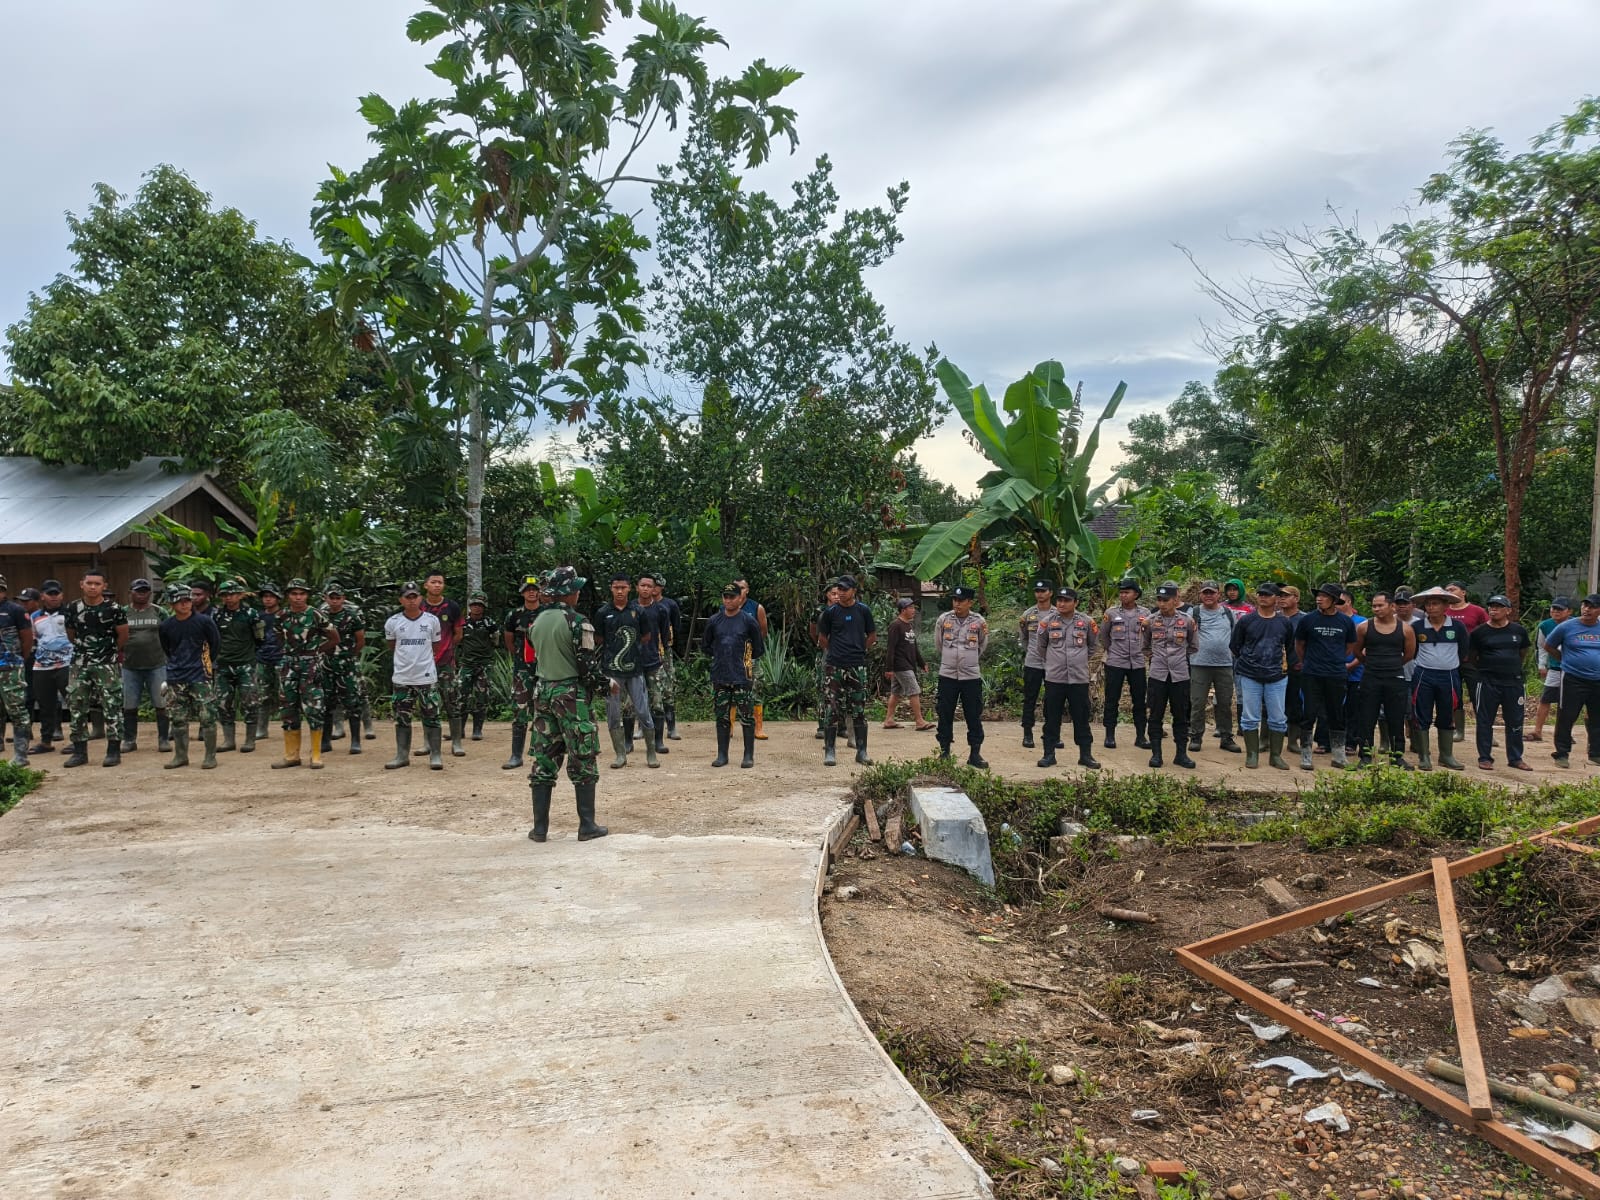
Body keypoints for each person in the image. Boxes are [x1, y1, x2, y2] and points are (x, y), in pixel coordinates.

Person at [526, 567, 608, 842]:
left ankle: (539, 829)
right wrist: (605, 684)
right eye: (576, 589)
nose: (579, 593)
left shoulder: (536, 621)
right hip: (571, 694)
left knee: (545, 756)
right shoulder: (578, 622)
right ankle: (587, 825)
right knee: (582, 754)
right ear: (569, 593)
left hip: (543, 692)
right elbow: (586, 664)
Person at [62, 569, 129, 769]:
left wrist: (108, 653)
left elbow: (123, 635)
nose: (93, 587)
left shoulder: (114, 609)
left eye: (97, 584)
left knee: (112, 706)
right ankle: (80, 751)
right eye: (89, 583)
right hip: (80, 663)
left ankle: (113, 751)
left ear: (104, 586)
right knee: (77, 706)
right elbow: (71, 635)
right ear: (81, 584)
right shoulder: (73, 608)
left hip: (106, 664)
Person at [270, 579, 338, 771]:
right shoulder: (281, 616)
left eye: (301, 593)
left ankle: (315, 754)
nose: (298, 597)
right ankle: (291, 755)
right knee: (288, 708)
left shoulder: (315, 614)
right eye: (294, 594)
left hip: (310, 666)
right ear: (288, 596)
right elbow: (277, 638)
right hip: (288, 665)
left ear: (307, 595)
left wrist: (316, 651)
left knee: (314, 707)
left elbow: (334, 637)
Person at [593, 573, 656, 770]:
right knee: (613, 713)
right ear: (611, 589)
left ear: (629, 588)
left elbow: (646, 636)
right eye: (616, 587)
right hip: (611, 671)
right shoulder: (603, 612)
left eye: (623, 587)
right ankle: (620, 754)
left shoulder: (639, 611)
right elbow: (598, 639)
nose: (619, 591)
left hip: (635, 670)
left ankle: (651, 752)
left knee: (643, 710)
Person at [1034, 587, 1099, 769]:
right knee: (1052, 717)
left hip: (1078, 679)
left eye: (1067, 600)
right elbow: (1041, 647)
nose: (1062, 604)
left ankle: (1085, 755)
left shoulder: (1086, 622)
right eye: (1060, 600)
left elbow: (1093, 646)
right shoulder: (1047, 622)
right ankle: (1049, 754)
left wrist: (1078, 661)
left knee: (1081, 717)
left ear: (1075, 603)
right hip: (1055, 678)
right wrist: (1055, 662)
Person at [158, 585, 222, 770]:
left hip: (201, 675)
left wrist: (206, 665)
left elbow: (215, 644)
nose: (185, 604)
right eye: (180, 601)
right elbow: (167, 648)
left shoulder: (204, 622)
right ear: (172, 603)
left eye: (187, 600)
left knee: (207, 717)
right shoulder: (166, 626)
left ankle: (210, 756)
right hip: (176, 676)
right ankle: (180, 756)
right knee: (177, 718)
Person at [817, 574, 878, 767]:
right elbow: (822, 638)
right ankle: (830, 751)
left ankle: (862, 751)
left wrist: (860, 650)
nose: (841, 593)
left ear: (854, 591)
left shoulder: (863, 611)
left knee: (859, 709)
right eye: (838, 589)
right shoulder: (830, 612)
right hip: (834, 666)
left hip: (857, 666)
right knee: (831, 708)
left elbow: (872, 635)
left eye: (844, 589)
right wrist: (834, 651)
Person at [1231, 583, 1292, 770]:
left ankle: (1275, 756)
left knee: (1278, 718)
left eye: (1267, 595)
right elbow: (1235, 646)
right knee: (1250, 717)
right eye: (1260, 594)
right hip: (1250, 675)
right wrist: (1248, 661)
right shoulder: (1246, 621)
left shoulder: (1284, 622)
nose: (1263, 597)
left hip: (1277, 676)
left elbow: (1289, 647)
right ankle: (1252, 755)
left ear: (1276, 598)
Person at [383, 581, 444, 770]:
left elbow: (436, 645)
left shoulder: (431, 620)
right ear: (401, 600)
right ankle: (402, 755)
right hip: (402, 678)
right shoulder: (393, 622)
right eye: (407, 597)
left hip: (426, 677)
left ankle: (435, 755)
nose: (411, 601)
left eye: (415, 597)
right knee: (402, 717)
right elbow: (392, 646)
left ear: (420, 598)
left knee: (432, 715)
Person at [1468, 595, 1533, 772]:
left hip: (1513, 682)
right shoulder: (1479, 632)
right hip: (1488, 682)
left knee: (1515, 721)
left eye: (1498, 606)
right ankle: (1485, 757)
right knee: (1484, 720)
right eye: (1491, 606)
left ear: (1508, 610)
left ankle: (1515, 758)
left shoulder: (1518, 631)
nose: (1493, 609)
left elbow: (1522, 652)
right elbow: (1472, 657)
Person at [1295, 584, 1357, 770]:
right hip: (1312, 673)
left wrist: (1336, 661)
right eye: (1318, 596)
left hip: (1336, 674)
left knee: (1336, 713)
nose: (1319, 599)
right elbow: (1300, 645)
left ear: (1334, 600)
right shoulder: (1308, 620)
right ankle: (1306, 753)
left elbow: (1350, 647)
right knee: (1309, 713)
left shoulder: (1345, 622)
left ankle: (1338, 754)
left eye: (1324, 596)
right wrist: (1309, 662)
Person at [705, 583, 765, 768]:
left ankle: (748, 755)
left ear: (740, 599)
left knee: (746, 717)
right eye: (726, 597)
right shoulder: (714, 621)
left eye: (732, 597)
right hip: (720, 675)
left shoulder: (748, 621)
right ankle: (722, 755)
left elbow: (758, 649)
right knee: (721, 717)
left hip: (742, 676)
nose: (728, 600)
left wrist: (743, 662)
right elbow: (707, 647)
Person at [1409, 587, 1469, 772]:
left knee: (1447, 713)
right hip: (1423, 675)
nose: (1431, 607)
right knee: (1421, 713)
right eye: (1428, 604)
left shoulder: (1457, 627)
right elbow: (1412, 650)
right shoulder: (1417, 627)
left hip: (1449, 675)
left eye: (1435, 603)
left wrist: (1448, 663)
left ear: (1445, 606)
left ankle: (1446, 755)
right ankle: (1424, 756)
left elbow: (1464, 651)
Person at [1353, 591, 1415, 769]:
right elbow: (1357, 651)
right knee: (1367, 718)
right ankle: (1365, 756)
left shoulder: (1405, 629)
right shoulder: (1364, 627)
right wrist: (1371, 664)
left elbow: (1409, 654)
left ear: (1391, 606)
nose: (1376, 609)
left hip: (1395, 678)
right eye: (1374, 606)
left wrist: (1393, 665)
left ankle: (1397, 757)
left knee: (1396, 718)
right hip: (1371, 677)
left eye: (1380, 605)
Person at [1143, 581, 1199, 769]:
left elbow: (1193, 646)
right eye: (1159, 599)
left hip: (1180, 675)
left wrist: (1178, 658)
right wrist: (1156, 658)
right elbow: (1145, 646)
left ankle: (1181, 754)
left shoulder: (1187, 621)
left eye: (1166, 600)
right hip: (1158, 675)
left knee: (1181, 715)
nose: (1162, 603)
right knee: (1155, 715)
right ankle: (1156, 754)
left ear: (1176, 600)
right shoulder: (1150, 621)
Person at [931, 585, 987, 768]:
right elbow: (939, 644)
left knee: (973, 714)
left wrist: (967, 660)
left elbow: (982, 645)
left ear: (970, 602)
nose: (957, 604)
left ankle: (975, 754)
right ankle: (945, 752)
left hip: (970, 676)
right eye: (955, 600)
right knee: (944, 713)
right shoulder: (944, 619)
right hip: (947, 675)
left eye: (961, 601)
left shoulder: (979, 621)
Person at [1544, 593, 1600, 769]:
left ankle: (1596, 753)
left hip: (1597, 680)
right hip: (1572, 678)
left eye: (1591, 606)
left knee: (1597, 718)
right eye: (1585, 605)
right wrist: (1564, 660)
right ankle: (1561, 753)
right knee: (1566, 716)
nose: (1587, 609)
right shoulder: (1568, 626)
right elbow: (1549, 645)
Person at [212, 580, 264, 754]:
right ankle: (229, 740)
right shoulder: (217, 615)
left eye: (232, 594)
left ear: (241, 595)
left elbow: (260, 639)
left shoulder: (251, 614)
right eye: (225, 595)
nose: (229, 598)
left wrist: (248, 656)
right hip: (223, 666)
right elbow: (212, 639)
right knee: (222, 704)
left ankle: (250, 739)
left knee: (250, 702)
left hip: (246, 665)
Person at [1187, 580, 1239, 754]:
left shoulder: (1228, 613)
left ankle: (1226, 737)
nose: (1208, 596)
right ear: (1200, 595)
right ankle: (1195, 737)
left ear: (1218, 594)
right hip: (1199, 664)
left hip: (1224, 665)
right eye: (1205, 593)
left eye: (1212, 593)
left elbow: (1236, 635)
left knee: (1224, 703)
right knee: (1197, 702)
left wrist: (1233, 654)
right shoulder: (1192, 612)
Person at [1098, 578, 1150, 750]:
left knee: (1140, 701)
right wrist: (1112, 650)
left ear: (1135, 594)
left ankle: (1141, 736)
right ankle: (1110, 735)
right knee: (1112, 699)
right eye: (1121, 592)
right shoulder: (1111, 613)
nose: (1123, 595)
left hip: (1137, 662)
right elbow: (1103, 636)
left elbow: (1149, 636)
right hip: (1115, 662)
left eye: (1127, 592)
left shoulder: (1145, 613)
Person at [317, 584, 367, 757]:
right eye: (332, 597)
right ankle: (325, 741)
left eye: (338, 597)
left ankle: (355, 741)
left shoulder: (352, 617)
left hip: (346, 665)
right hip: (326, 664)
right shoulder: (320, 617)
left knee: (352, 703)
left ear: (343, 598)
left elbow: (360, 640)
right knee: (326, 703)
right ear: (325, 598)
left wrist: (350, 655)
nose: (335, 601)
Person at [120, 577, 168, 754]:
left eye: (145, 591)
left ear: (150, 593)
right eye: (138, 591)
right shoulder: (122, 612)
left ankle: (163, 739)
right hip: (130, 666)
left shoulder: (159, 612)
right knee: (129, 704)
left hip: (156, 664)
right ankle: (129, 740)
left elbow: (169, 632)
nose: (141, 594)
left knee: (161, 702)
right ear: (130, 592)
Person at [421, 571, 466, 757]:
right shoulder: (419, 606)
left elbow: (458, 633)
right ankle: (427, 743)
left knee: (452, 702)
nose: (437, 585)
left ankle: (456, 742)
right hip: (424, 664)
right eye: (433, 582)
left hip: (446, 664)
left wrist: (446, 648)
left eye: (440, 582)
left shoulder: (452, 606)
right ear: (426, 585)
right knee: (426, 703)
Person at [501, 575, 542, 770]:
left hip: (544, 669)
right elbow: (508, 639)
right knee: (520, 710)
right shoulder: (514, 615)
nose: (531, 592)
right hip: (522, 670)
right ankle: (516, 754)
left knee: (543, 710)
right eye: (528, 589)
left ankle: (540, 751)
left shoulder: (547, 612)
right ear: (522, 592)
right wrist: (519, 656)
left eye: (534, 589)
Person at [29, 580, 71, 754]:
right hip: (42, 666)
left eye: (56, 594)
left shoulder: (69, 614)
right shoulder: (34, 616)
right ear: (42, 596)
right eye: (50, 594)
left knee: (74, 702)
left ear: (62, 595)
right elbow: (33, 638)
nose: (53, 597)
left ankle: (78, 740)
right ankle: (46, 741)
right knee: (46, 705)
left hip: (66, 663)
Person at [1445, 582, 1489, 746]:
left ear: (1463, 592)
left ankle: (1485, 732)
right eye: (1447, 590)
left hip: (1471, 661)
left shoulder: (1477, 611)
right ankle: (1459, 730)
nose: (1450, 592)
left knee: (1478, 696)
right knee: (1454, 697)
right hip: (1450, 661)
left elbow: (1487, 631)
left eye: (1453, 589)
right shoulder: (1444, 611)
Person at [631, 574, 670, 757]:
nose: (646, 589)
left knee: (657, 703)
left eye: (649, 586)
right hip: (631, 664)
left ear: (654, 588)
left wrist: (660, 655)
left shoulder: (661, 610)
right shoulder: (629, 609)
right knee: (629, 705)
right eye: (642, 585)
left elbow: (664, 636)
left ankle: (658, 741)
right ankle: (627, 742)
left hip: (653, 662)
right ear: (637, 587)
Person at [0, 576, 34, 765]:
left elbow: (27, 639)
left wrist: (20, 658)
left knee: (16, 709)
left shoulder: (15, 610)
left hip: (10, 667)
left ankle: (21, 754)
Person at [456, 590, 499, 741]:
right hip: (467, 664)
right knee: (461, 696)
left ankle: (477, 729)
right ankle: (459, 730)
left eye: (479, 605)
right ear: (469, 606)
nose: (476, 608)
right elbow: (458, 641)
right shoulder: (462, 623)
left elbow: (495, 641)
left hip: (484, 665)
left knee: (482, 697)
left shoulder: (490, 624)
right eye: (474, 605)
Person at [883, 598, 932, 731]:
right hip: (901, 665)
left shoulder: (908, 625)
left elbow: (914, 647)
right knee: (914, 691)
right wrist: (889, 668)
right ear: (903, 610)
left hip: (908, 664)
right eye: (910, 608)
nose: (913, 610)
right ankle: (919, 721)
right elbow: (891, 648)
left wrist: (922, 663)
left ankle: (889, 720)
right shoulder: (896, 625)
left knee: (896, 692)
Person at [1531, 597, 1572, 742]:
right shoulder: (1545, 625)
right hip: (1554, 667)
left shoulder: (1576, 624)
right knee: (1546, 698)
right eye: (1553, 608)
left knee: (1568, 702)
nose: (1556, 611)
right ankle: (1537, 730)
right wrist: (1542, 665)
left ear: (1569, 611)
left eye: (1560, 609)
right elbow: (1542, 646)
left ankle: (1564, 732)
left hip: (1572, 669)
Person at [1019, 579, 1054, 748]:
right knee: (1030, 698)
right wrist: (1032, 651)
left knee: (1053, 699)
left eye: (1043, 591)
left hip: (1053, 663)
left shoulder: (1057, 613)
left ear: (1050, 593)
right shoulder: (1027, 614)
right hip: (1032, 662)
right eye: (1037, 591)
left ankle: (1051, 733)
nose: (1040, 594)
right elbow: (1024, 638)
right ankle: (1027, 733)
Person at [734, 578, 769, 740]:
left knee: (756, 689)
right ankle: (730, 726)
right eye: (736, 588)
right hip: (732, 657)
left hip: (751, 657)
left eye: (742, 588)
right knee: (730, 690)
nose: (739, 590)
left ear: (747, 590)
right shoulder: (726, 606)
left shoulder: (756, 608)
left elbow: (763, 631)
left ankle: (758, 727)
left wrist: (753, 650)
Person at [652, 573, 685, 741]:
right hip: (645, 650)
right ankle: (642, 727)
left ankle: (671, 726)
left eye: (656, 585)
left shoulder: (669, 604)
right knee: (643, 688)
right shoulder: (638, 604)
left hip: (665, 650)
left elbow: (677, 626)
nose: (654, 588)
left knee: (668, 687)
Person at [1337, 589, 1368, 756]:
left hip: (1356, 672)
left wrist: (1353, 665)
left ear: (1349, 603)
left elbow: (1366, 648)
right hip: (1334, 671)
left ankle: (1351, 742)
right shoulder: (1332, 620)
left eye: (1340, 601)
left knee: (1354, 709)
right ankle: (1332, 742)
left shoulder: (1362, 622)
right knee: (1335, 708)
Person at [810, 581, 842, 740]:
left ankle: (841, 726)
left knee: (842, 690)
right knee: (824, 689)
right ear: (827, 595)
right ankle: (822, 725)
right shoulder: (820, 611)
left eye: (838, 593)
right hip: (824, 652)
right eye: (833, 593)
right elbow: (813, 631)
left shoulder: (845, 609)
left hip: (842, 654)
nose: (836, 596)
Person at [1277, 586, 1306, 752]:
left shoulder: (1305, 619)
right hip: (1273, 668)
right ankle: (1268, 739)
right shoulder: (1273, 617)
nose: (1282, 598)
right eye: (1280, 596)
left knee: (1295, 704)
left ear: (1296, 598)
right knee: (1272, 704)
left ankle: (1293, 741)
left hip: (1297, 667)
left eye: (1286, 596)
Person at [254, 582, 284, 743]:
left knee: (285, 694)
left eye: (271, 596)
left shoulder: (284, 615)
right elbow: (257, 638)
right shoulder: (258, 617)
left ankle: (289, 726)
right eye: (265, 596)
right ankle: (261, 728)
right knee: (262, 695)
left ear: (278, 598)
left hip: (282, 659)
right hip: (263, 659)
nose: (268, 599)